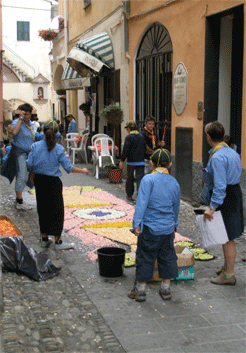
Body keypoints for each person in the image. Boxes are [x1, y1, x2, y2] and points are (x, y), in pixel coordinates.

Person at [26, 120, 89, 250]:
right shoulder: (59, 148)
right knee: (56, 210)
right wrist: (82, 171)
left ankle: (44, 238)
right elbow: (68, 168)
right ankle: (58, 241)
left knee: (42, 209)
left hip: (40, 181)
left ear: (42, 132)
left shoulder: (35, 146)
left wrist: (33, 172)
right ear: (56, 133)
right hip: (53, 182)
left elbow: (29, 164)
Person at [128, 149, 180, 302]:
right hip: (168, 228)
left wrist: (136, 224)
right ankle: (165, 289)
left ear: (151, 163)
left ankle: (140, 290)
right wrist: (174, 224)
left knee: (145, 257)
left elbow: (141, 204)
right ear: (169, 164)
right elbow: (176, 207)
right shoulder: (174, 182)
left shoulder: (148, 180)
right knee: (168, 257)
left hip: (150, 227)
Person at [203, 122, 244, 285]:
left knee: (227, 237)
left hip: (226, 197)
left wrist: (212, 208)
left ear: (208, 137)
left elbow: (220, 186)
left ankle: (229, 275)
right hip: (234, 193)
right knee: (226, 235)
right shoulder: (232, 151)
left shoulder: (218, 157)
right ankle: (227, 266)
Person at [1, 103, 35, 210]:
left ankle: (19, 199)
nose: (27, 117)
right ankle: (19, 201)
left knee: (26, 176)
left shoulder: (30, 123)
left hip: (29, 153)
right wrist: (20, 118)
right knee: (22, 175)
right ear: (21, 113)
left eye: (29, 114)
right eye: (25, 114)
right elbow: (14, 132)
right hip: (19, 153)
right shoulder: (17, 122)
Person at [119, 121, 146, 202]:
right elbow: (144, 148)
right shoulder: (141, 137)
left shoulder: (129, 137)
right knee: (140, 179)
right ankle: (140, 196)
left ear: (128, 129)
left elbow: (125, 150)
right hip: (141, 161)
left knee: (130, 178)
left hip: (131, 162)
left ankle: (129, 195)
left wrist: (122, 160)